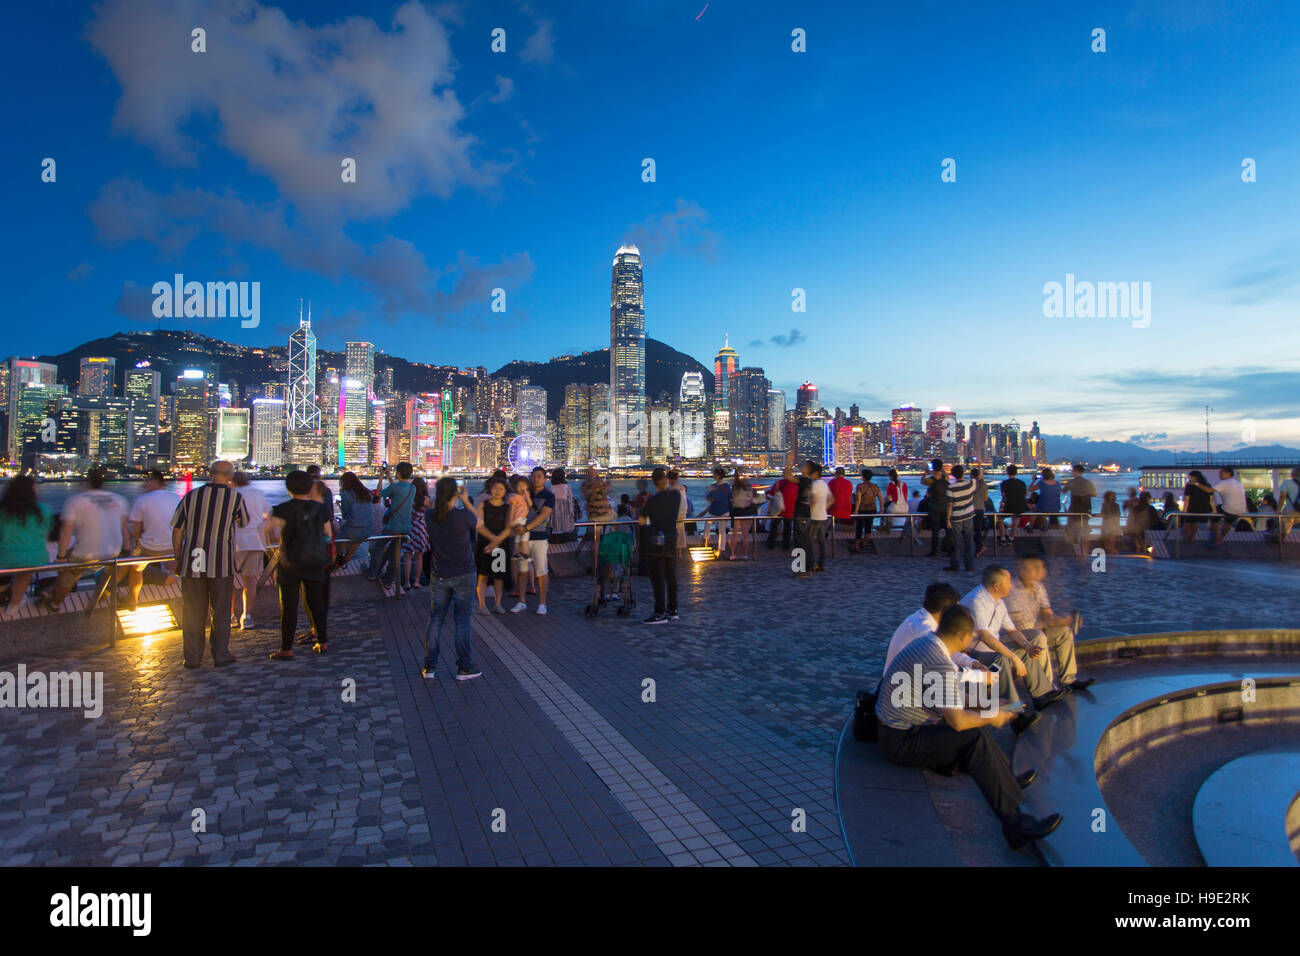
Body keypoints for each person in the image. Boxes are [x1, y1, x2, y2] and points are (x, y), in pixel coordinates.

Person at [875, 604, 1062, 849]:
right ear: (963, 637)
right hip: (900, 741)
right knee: (972, 737)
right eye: (972, 635)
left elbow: (948, 697)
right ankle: (1014, 825)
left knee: (975, 731)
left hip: (898, 730)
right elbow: (958, 721)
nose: (973, 639)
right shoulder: (938, 661)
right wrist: (993, 716)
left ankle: (1007, 779)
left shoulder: (929, 645)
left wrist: (992, 704)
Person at [170, 461, 249, 668]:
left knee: (193, 610)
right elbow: (244, 522)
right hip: (221, 561)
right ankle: (220, 654)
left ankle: (192, 657)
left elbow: (177, 530)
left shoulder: (191, 496)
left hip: (195, 557)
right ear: (231, 476)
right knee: (221, 610)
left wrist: (178, 557)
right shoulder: (235, 498)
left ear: (210, 473)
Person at [961, 565, 1064, 724]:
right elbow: (985, 636)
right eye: (1008, 581)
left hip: (990, 649)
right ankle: (1015, 715)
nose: (1012, 585)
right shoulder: (977, 601)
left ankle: (1041, 695)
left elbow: (1011, 630)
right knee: (1002, 660)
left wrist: (1027, 646)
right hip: (973, 655)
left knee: (1025, 651)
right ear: (997, 586)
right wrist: (1013, 657)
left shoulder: (998, 602)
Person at [263, 470, 333, 659]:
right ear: (310, 487)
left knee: (288, 605)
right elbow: (328, 534)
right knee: (316, 602)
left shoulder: (283, 509)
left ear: (289, 488)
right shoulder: (322, 508)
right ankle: (322, 642)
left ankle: (286, 648)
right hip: (315, 560)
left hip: (290, 561)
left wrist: (272, 549)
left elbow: (268, 530)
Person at [422, 477, 484, 681]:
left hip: (439, 573)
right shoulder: (463, 515)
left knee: (436, 619)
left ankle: (430, 666)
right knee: (461, 620)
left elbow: (432, 507)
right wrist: (466, 501)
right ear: (455, 493)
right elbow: (480, 524)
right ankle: (464, 667)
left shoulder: (430, 515)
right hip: (464, 573)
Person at [1003, 555, 1094, 694]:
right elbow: (1022, 627)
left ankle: (1068, 679)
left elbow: (1047, 614)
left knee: (1063, 632)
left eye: (1041, 568)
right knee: (1040, 637)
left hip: (1032, 631)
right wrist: (1058, 621)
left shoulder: (1038, 587)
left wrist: (1063, 621)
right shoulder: (1012, 591)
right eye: (1037, 568)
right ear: (1024, 570)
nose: (1043, 571)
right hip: (1013, 636)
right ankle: (1047, 687)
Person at [47, 466, 132, 612]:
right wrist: (126, 549)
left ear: (87, 482)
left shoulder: (76, 500)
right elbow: (124, 527)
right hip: (113, 552)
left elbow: (66, 530)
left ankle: (55, 604)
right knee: (122, 566)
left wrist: (61, 557)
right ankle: (105, 590)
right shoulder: (119, 500)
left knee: (67, 574)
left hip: (86, 554)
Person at [884, 582, 991, 692]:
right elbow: (946, 670)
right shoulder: (925, 631)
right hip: (902, 691)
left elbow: (946, 653)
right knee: (973, 693)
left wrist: (971, 663)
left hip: (905, 683)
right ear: (946, 611)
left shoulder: (921, 619)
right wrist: (979, 676)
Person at [0, 476, 53, 617]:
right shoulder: (44, 509)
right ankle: (14, 604)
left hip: (5, 557)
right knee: (24, 573)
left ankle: (6, 591)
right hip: (36, 557)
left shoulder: (3, 510)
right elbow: (46, 531)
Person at [127, 469, 180, 608]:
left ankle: (133, 600)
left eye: (147, 482)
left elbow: (136, 531)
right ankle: (179, 593)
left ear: (154, 482)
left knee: (135, 568)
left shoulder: (142, 499)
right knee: (175, 564)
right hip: (172, 546)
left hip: (150, 548)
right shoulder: (176, 497)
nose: (145, 484)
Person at [638, 466, 680, 624]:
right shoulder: (676, 496)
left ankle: (659, 612)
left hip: (656, 541)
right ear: (666, 480)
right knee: (671, 576)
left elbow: (641, 521)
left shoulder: (652, 501)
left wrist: (650, 521)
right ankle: (673, 609)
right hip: (671, 539)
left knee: (657, 578)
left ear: (654, 482)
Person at [230, 471, 271, 629]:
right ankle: (246, 617)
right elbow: (267, 515)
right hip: (256, 542)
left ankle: (231, 615)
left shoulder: (230, 494)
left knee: (228, 582)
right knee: (250, 582)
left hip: (234, 542)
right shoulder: (258, 494)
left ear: (232, 481)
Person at [511, 467, 554, 614]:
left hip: (539, 537)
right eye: (534, 476)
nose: (536, 479)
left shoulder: (549, 496)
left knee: (541, 571)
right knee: (523, 570)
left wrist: (527, 527)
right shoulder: (523, 494)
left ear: (545, 479)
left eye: (539, 476)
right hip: (523, 538)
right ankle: (521, 601)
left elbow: (544, 515)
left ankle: (542, 603)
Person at [366, 462, 416, 588]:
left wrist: (382, 476)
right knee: (395, 554)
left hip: (392, 527)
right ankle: (388, 581)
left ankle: (372, 573)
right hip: (405, 528)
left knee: (378, 547)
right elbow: (397, 488)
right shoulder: (412, 488)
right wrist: (388, 475)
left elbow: (378, 493)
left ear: (398, 473)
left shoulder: (396, 488)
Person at [474, 476, 512, 614]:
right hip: (485, 543)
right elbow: (479, 526)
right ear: (490, 489)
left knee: (499, 576)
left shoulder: (508, 507)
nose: (497, 491)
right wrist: (493, 539)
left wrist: (497, 541)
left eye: (501, 489)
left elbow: (509, 527)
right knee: (483, 574)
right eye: (495, 488)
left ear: (505, 491)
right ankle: (482, 605)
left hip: (500, 545)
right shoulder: (482, 504)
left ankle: (498, 603)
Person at [1188, 466, 1249, 547]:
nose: (1219, 475)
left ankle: (1216, 538)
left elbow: (1209, 490)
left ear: (1227, 473)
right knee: (1228, 521)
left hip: (1229, 508)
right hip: (1240, 509)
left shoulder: (1225, 482)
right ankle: (1220, 538)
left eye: (1221, 472)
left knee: (1214, 516)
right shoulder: (1238, 483)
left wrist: (1196, 483)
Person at [335, 472, 374, 569]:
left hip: (352, 529)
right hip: (366, 530)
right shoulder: (367, 493)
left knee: (337, 548)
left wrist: (340, 505)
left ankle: (335, 568)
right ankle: (338, 566)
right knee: (350, 553)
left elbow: (345, 515)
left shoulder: (346, 494)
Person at [944, 464, 978, 573]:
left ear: (953, 475)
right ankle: (970, 565)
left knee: (956, 542)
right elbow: (978, 477)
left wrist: (948, 519)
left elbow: (949, 505)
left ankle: (955, 565)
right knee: (969, 541)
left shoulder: (951, 488)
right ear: (963, 473)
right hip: (968, 516)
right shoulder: (970, 484)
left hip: (956, 517)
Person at [401, 477, 430, 590]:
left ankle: (407, 582)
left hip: (409, 528)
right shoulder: (425, 499)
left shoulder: (408, 498)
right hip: (421, 528)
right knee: (419, 556)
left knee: (407, 556)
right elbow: (429, 511)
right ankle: (417, 581)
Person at [1063, 464, 1097, 556]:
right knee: (1085, 529)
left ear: (1075, 472)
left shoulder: (1072, 482)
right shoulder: (1088, 482)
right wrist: (1086, 495)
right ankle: (1084, 551)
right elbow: (1094, 494)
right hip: (1086, 508)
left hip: (1075, 508)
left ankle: (1074, 542)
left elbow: (1064, 490)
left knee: (1071, 525)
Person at [849, 469, 881, 553]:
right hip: (872, 509)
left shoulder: (860, 486)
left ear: (863, 477)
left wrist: (856, 510)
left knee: (859, 527)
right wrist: (882, 509)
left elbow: (858, 499)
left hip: (862, 509)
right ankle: (864, 543)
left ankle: (856, 546)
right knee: (868, 527)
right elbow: (880, 499)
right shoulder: (875, 486)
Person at [700, 467, 732, 553]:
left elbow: (710, 499)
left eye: (715, 474)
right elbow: (730, 497)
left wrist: (711, 492)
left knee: (708, 524)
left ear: (719, 475)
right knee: (722, 531)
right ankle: (721, 550)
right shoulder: (726, 486)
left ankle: (706, 543)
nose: (713, 476)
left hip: (715, 511)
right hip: (724, 511)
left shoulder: (713, 486)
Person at [922, 459, 949, 557]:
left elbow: (922, 481)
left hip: (934, 507)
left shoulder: (931, 480)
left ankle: (934, 551)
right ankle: (949, 549)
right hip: (945, 507)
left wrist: (925, 472)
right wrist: (943, 470)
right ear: (941, 467)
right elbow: (946, 476)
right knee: (947, 529)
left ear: (933, 468)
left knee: (935, 531)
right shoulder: (945, 478)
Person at [767, 467, 797, 550]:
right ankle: (786, 545)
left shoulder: (778, 483)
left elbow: (771, 498)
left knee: (773, 527)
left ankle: (771, 544)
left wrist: (769, 510)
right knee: (787, 528)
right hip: (790, 510)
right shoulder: (796, 485)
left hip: (778, 510)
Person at [1181, 469, 1214, 543]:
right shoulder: (1207, 485)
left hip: (1192, 507)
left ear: (1194, 477)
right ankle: (1193, 537)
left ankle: (1187, 537)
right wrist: (1214, 510)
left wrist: (1184, 510)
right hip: (1204, 508)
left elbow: (1187, 499)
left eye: (1190, 477)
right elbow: (1211, 499)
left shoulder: (1190, 485)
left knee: (1188, 522)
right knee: (1195, 522)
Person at [730, 469, 757, 560]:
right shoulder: (747, 487)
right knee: (745, 534)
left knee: (734, 534)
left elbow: (732, 500)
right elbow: (752, 500)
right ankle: (745, 555)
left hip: (736, 511)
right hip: (746, 510)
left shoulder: (734, 487)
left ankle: (733, 554)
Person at [548, 468, 580, 544]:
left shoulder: (549, 490)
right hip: (568, 526)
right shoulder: (569, 491)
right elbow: (573, 509)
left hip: (554, 526)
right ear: (563, 477)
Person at [998, 465, 1028, 547]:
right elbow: (1024, 495)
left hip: (1009, 505)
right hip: (1020, 506)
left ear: (1007, 473)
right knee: (1015, 518)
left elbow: (1004, 496)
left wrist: (1001, 506)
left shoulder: (1004, 483)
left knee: (1000, 518)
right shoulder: (1022, 483)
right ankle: (1011, 538)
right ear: (1016, 472)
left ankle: (1003, 538)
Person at [827, 466, 854, 553]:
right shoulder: (849, 483)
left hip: (834, 509)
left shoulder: (832, 483)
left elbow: (828, 496)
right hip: (847, 509)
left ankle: (826, 533)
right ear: (844, 474)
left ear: (836, 473)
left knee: (828, 519)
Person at [886, 468, 913, 539]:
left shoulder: (891, 485)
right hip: (905, 508)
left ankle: (887, 528)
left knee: (887, 510)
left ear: (891, 476)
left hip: (895, 508)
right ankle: (904, 530)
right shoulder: (904, 484)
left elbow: (889, 498)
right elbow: (905, 497)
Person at [971, 467, 990, 557]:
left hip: (972, 509)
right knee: (978, 530)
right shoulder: (984, 485)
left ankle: (979, 547)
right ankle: (978, 549)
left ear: (971, 475)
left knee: (972, 531)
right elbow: (985, 499)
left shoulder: (971, 485)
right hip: (981, 509)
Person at [1279, 467, 1300, 539]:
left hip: (1290, 510)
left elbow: (1282, 497)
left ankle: (1279, 545)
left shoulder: (1287, 482)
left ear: (1292, 474)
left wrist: (1279, 510)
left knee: (1283, 531)